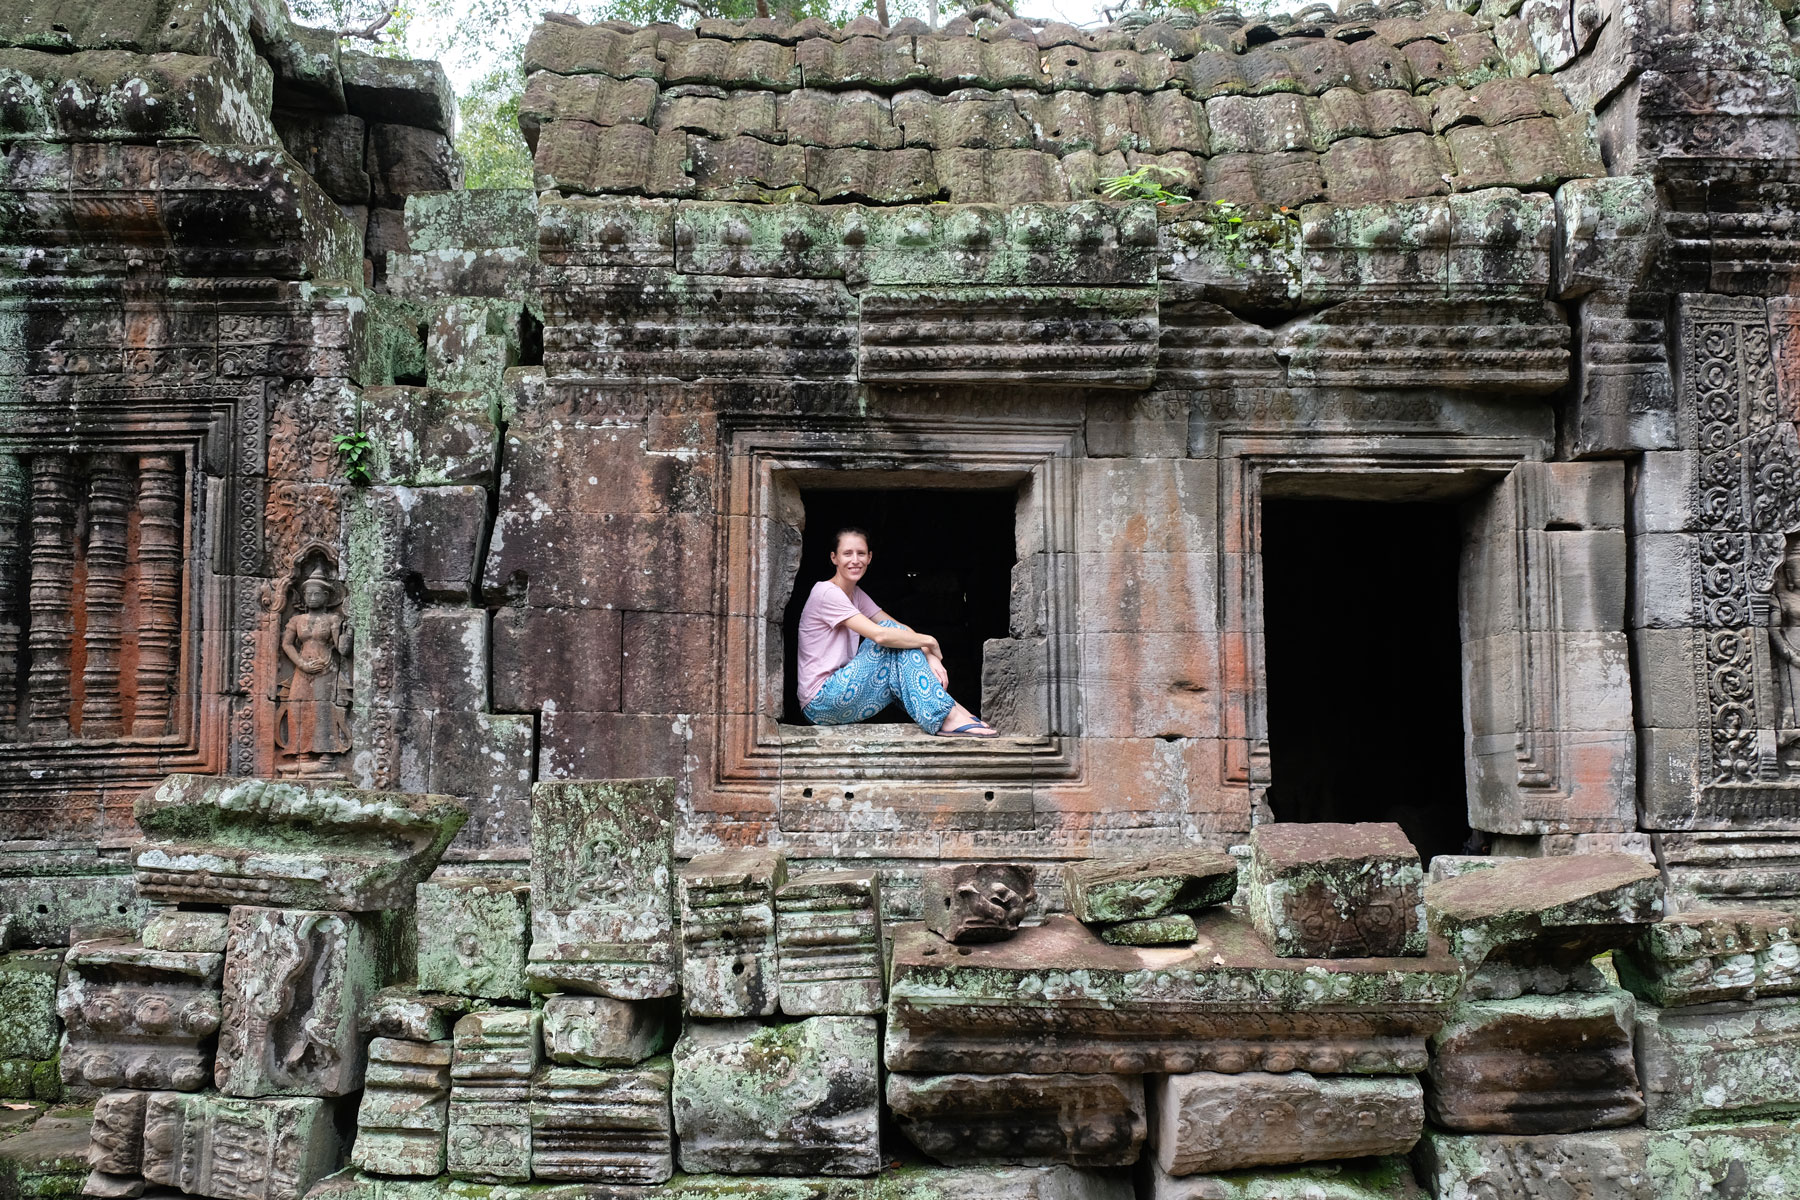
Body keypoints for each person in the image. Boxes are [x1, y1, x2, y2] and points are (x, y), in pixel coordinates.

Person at [796, 527, 998, 737]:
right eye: (847, 554)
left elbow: (901, 628)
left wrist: (928, 653)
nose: (855, 560)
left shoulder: (855, 594)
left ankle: (954, 711)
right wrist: (930, 641)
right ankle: (948, 716)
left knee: (900, 642)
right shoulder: (826, 592)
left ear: (870, 557)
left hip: (843, 697)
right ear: (834, 558)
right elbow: (882, 635)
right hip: (821, 702)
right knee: (890, 638)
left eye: (861, 553)